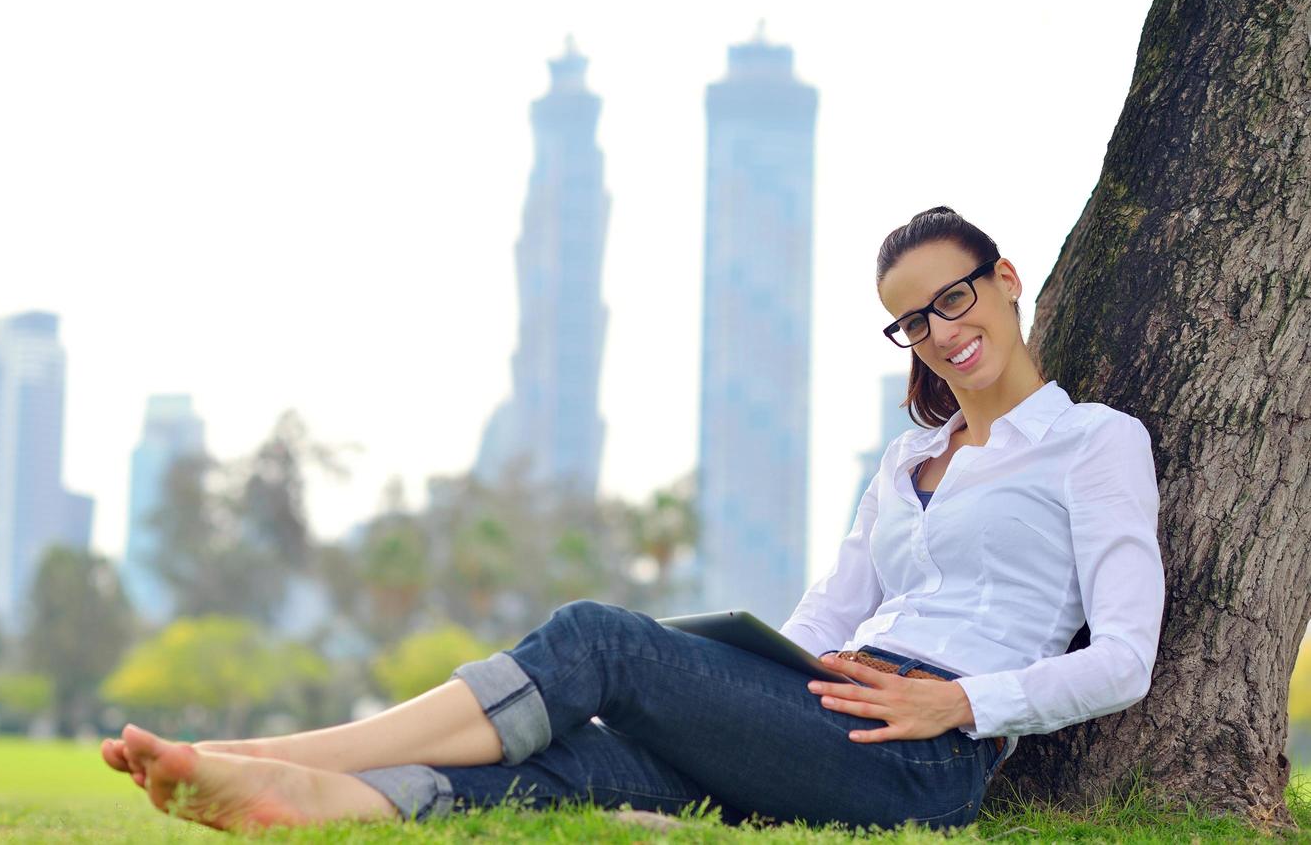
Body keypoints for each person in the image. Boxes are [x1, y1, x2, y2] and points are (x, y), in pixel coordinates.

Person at [100, 205, 1165, 833]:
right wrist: (746, 686)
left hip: (919, 759)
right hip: (819, 714)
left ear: (1006, 280)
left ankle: (283, 752)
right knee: (579, 756)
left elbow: (1123, 656)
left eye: (954, 296)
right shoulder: (905, 461)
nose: (940, 329)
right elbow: (824, 611)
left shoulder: (1093, 442)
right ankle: (311, 805)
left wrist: (958, 704)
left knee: (595, 637)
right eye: (911, 319)